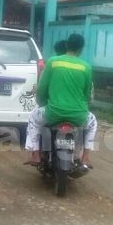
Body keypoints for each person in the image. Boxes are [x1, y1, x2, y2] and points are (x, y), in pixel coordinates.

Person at [25, 34, 97, 167]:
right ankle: (86, 157)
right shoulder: (86, 67)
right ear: (81, 49)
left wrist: (41, 103)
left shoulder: (53, 62)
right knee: (92, 123)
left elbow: (42, 88)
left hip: (53, 112)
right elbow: (87, 94)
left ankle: (35, 155)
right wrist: (84, 107)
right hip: (79, 115)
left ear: (67, 45)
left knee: (33, 118)